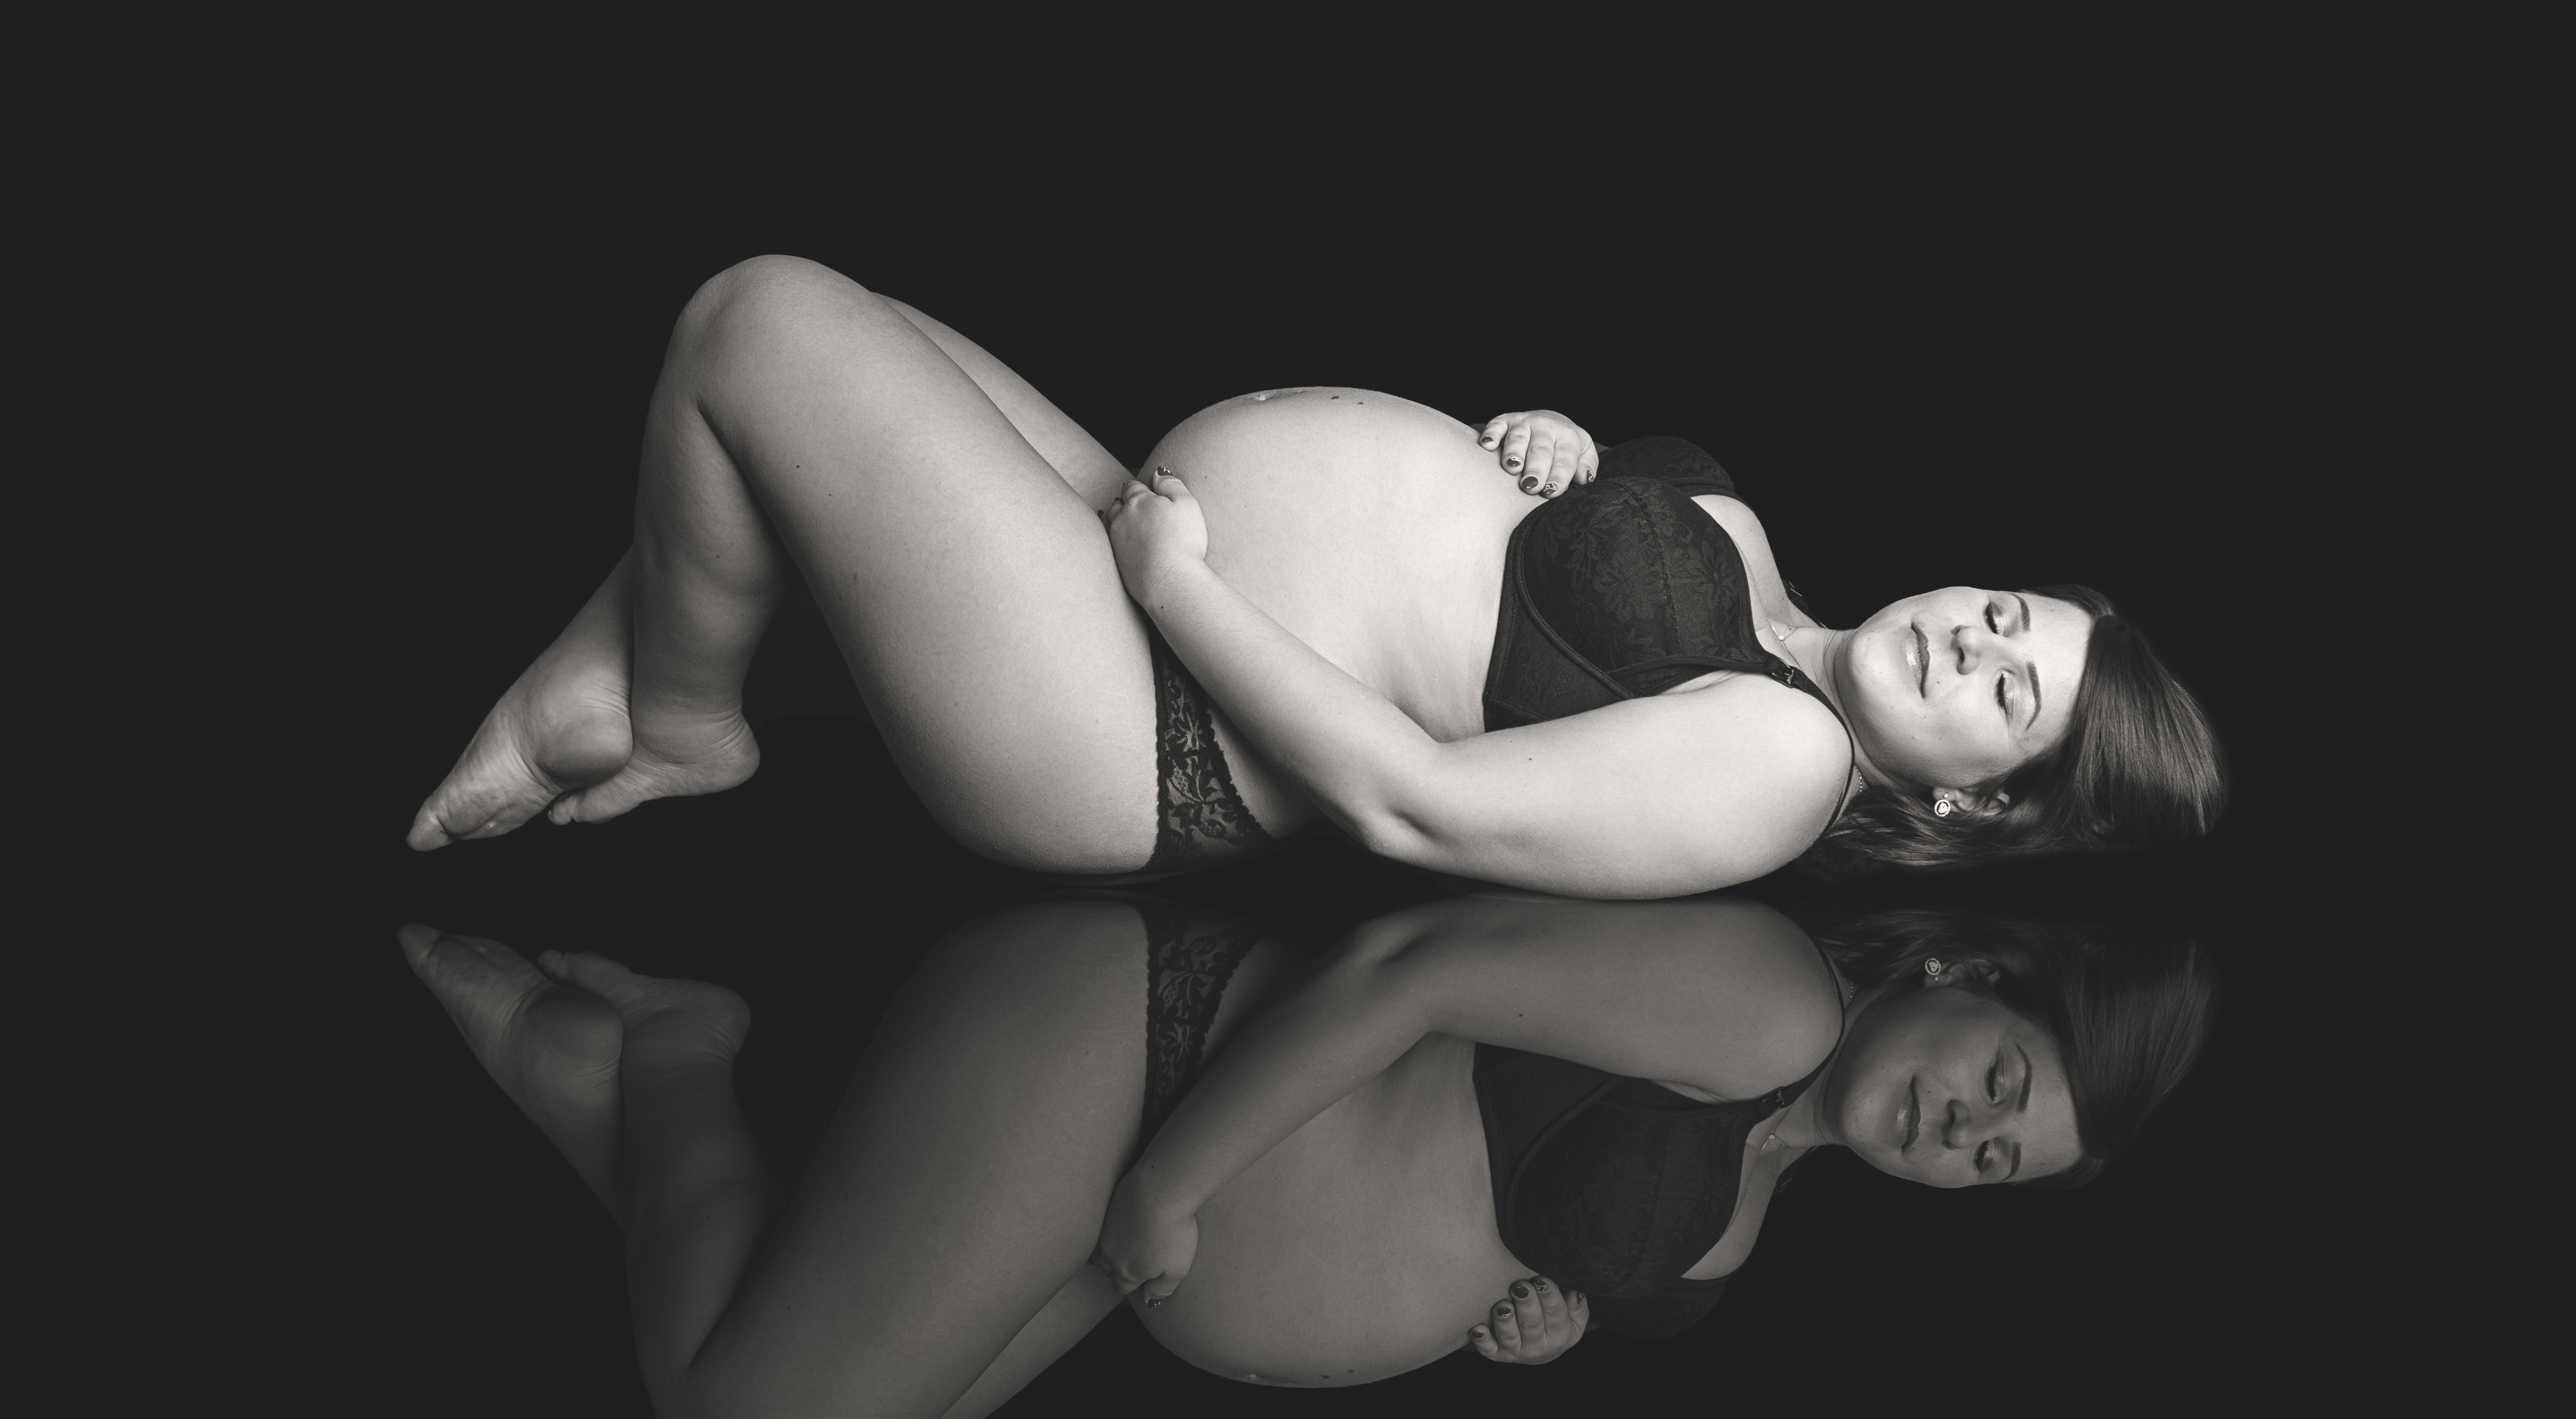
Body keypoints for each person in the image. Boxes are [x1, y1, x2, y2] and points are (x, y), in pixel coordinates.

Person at [404, 255, 2224, 897]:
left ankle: (680, 714)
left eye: (2010, 691)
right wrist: (1553, 450)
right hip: (1145, 561)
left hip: (1146, 717)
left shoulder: (1786, 760)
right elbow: (1528, 585)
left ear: (1975, 803)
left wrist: (1178, 588)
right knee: (859, 338)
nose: (1971, 639)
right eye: (2007, 614)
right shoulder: (1761, 578)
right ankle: (625, 692)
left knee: (761, 323)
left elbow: (1416, 801)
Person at [398, 888, 2214, 1419]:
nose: (1959, 1128)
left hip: (1145, 1227)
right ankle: (677, 1059)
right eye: (1998, 1079)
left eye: (1994, 1157)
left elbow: (1494, 1182)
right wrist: (1169, 1179)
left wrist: (1536, 1322)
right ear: (1963, 974)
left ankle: (626, 1072)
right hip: (1142, 1069)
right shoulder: (1774, 999)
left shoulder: (1749, 1214)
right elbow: (1410, 968)